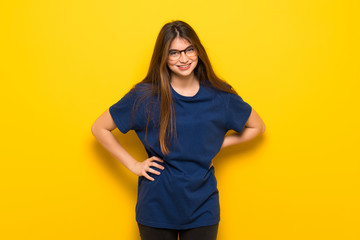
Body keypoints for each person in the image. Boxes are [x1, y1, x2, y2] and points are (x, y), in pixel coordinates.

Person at [91, 20, 265, 240]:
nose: (183, 59)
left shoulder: (221, 96)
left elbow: (257, 126)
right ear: (163, 58)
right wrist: (133, 164)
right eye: (174, 53)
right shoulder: (145, 97)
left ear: (198, 51)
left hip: (203, 209)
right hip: (156, 208)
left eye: (189, 50)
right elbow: (99, 128)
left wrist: (217, 145)